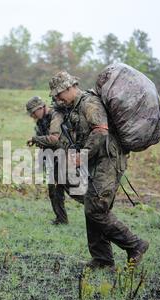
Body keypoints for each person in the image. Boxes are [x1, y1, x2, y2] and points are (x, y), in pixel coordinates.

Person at [49, 71, 149, 270]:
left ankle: (134, 244)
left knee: (96, 209)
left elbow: (100, 131)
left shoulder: (89, 103)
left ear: (68, 88)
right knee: (92, 208)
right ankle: (102, 260)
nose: (57, 99)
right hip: (98, 162)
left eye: (59, 94)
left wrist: (82, 155)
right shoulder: (76, 107)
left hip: (108, 162)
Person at [26, 96, 84, 225]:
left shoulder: (55, 115)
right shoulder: (41, 120)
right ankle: (61, 219)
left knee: (73, 190)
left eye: (33, 112)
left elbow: (54, 139)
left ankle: (98, 211)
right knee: (54, 191)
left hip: (65, 156)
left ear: (41, 108)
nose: (32, 116)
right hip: (53, 158)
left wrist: (35, 139)